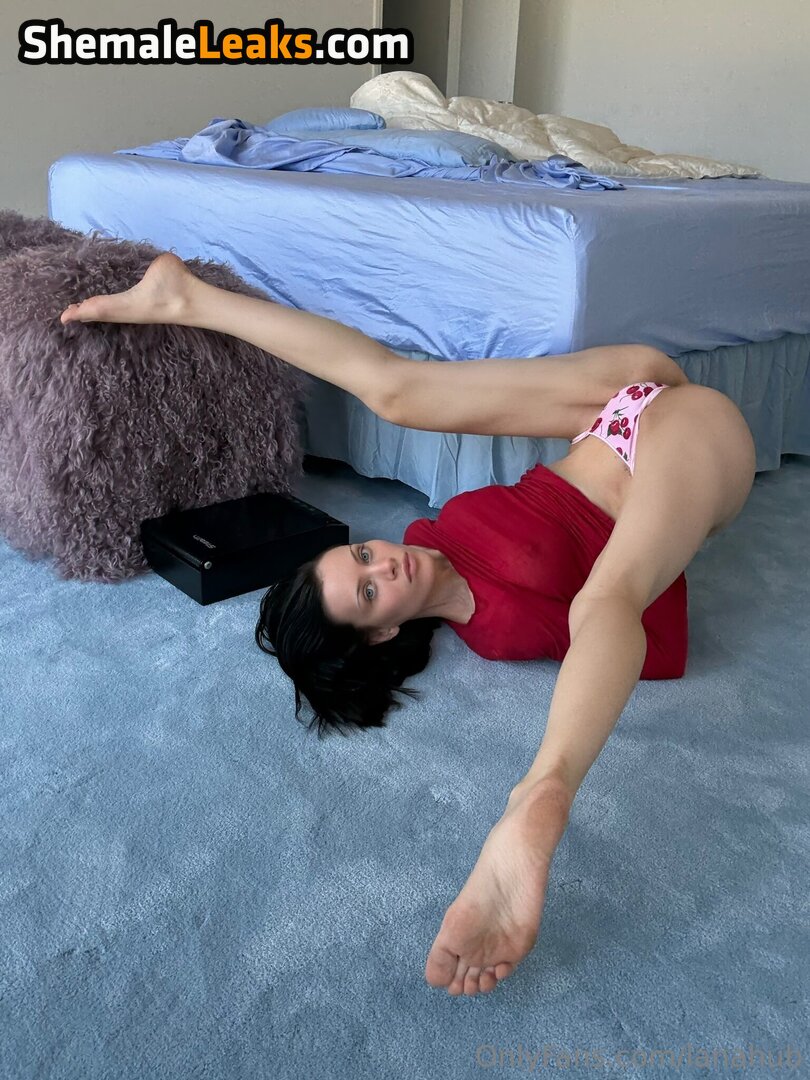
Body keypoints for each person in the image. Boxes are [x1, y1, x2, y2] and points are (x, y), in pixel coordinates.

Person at [61, 252, 757, 999]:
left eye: (362, 555)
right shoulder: (496, 625)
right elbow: (633, 633)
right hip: (688, 443)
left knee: (395, 390)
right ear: (382, 634)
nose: (384, 563)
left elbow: (390, 386)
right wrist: (645, 551)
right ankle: (538, 798)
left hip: (616, 407)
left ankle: (188, 299)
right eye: (369, 592)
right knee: (606, 599)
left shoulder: (428, 538)